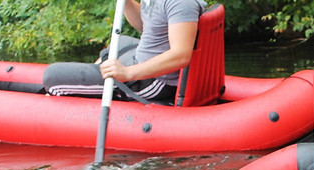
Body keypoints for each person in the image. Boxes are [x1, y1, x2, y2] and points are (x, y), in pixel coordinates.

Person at [43, 0, 207, 102]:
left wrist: (127, 73)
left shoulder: (181, 3)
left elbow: (180, 56)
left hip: (155, 81)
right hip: (142, 58)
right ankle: (94, 77)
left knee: (52, 75)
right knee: (121, 41)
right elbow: (146, 25)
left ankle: (84, 86)